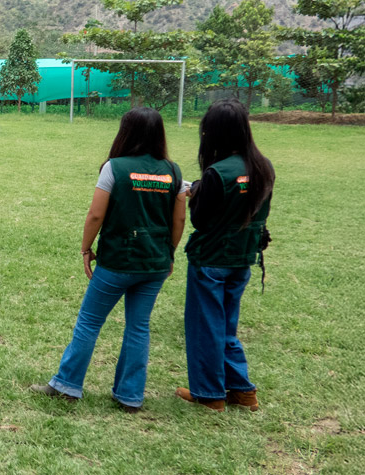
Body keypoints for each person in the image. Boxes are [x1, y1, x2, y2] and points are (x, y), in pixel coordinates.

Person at [30, 107, 186, 413]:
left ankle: (66, 385)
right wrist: (169, 253)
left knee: (89, 322)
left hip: (117, 260)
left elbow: (96, 214)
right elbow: (179, 219)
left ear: (126, 132)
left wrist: (86, 248)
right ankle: (130, 396)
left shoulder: (114, 167)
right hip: (154, 262)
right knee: (138, 327)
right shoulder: (174, 171)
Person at [176, 99, 275, 412]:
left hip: (211, 260)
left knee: (206, 328)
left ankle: (210, 394)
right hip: (243, 258)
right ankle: (242, 390)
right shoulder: (263, 167)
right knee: (226, 327)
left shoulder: (217, 173)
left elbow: (201, 221)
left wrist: (196, 193)